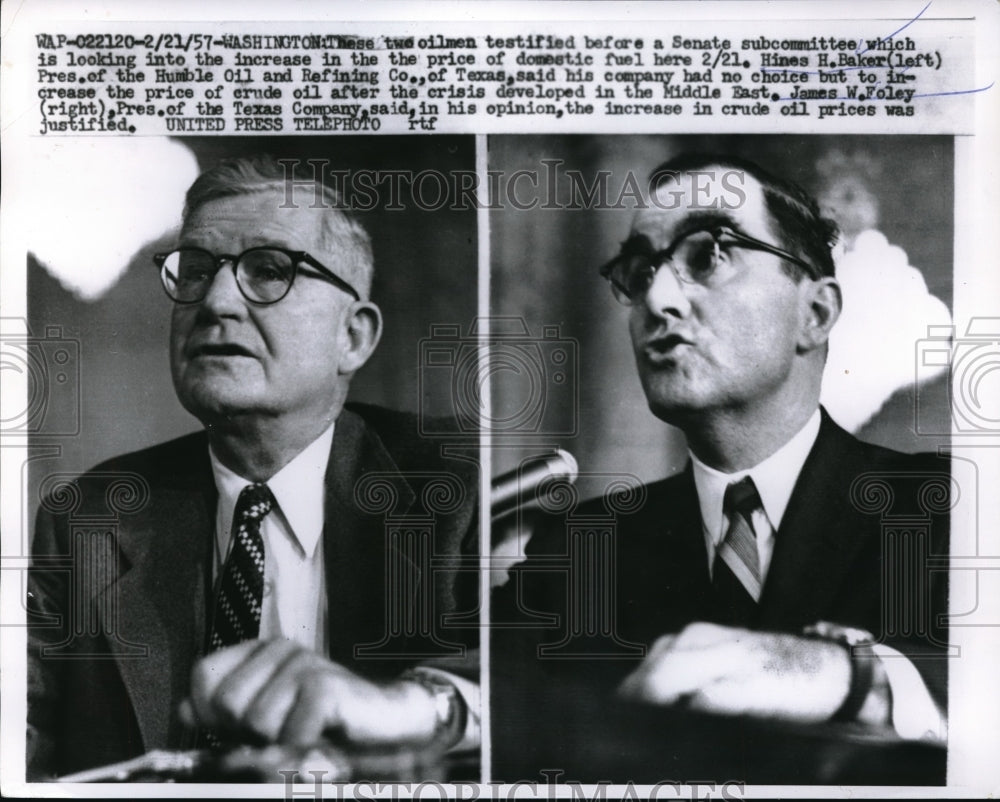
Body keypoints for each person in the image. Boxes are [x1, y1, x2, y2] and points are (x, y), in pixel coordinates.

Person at [492, 153, 950, 782]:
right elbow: (492, 703)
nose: (656, 297)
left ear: (813, 314)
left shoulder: (947, 508)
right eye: (639, 269)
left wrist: (848, 676)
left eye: (707, 255)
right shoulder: (577, 551)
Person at [27, 155, 479, 780]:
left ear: (354, 336)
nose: (215, 302)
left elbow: (522, 686)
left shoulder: (460, 481)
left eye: (269, 271)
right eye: (194, 272)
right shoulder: (87, 517)